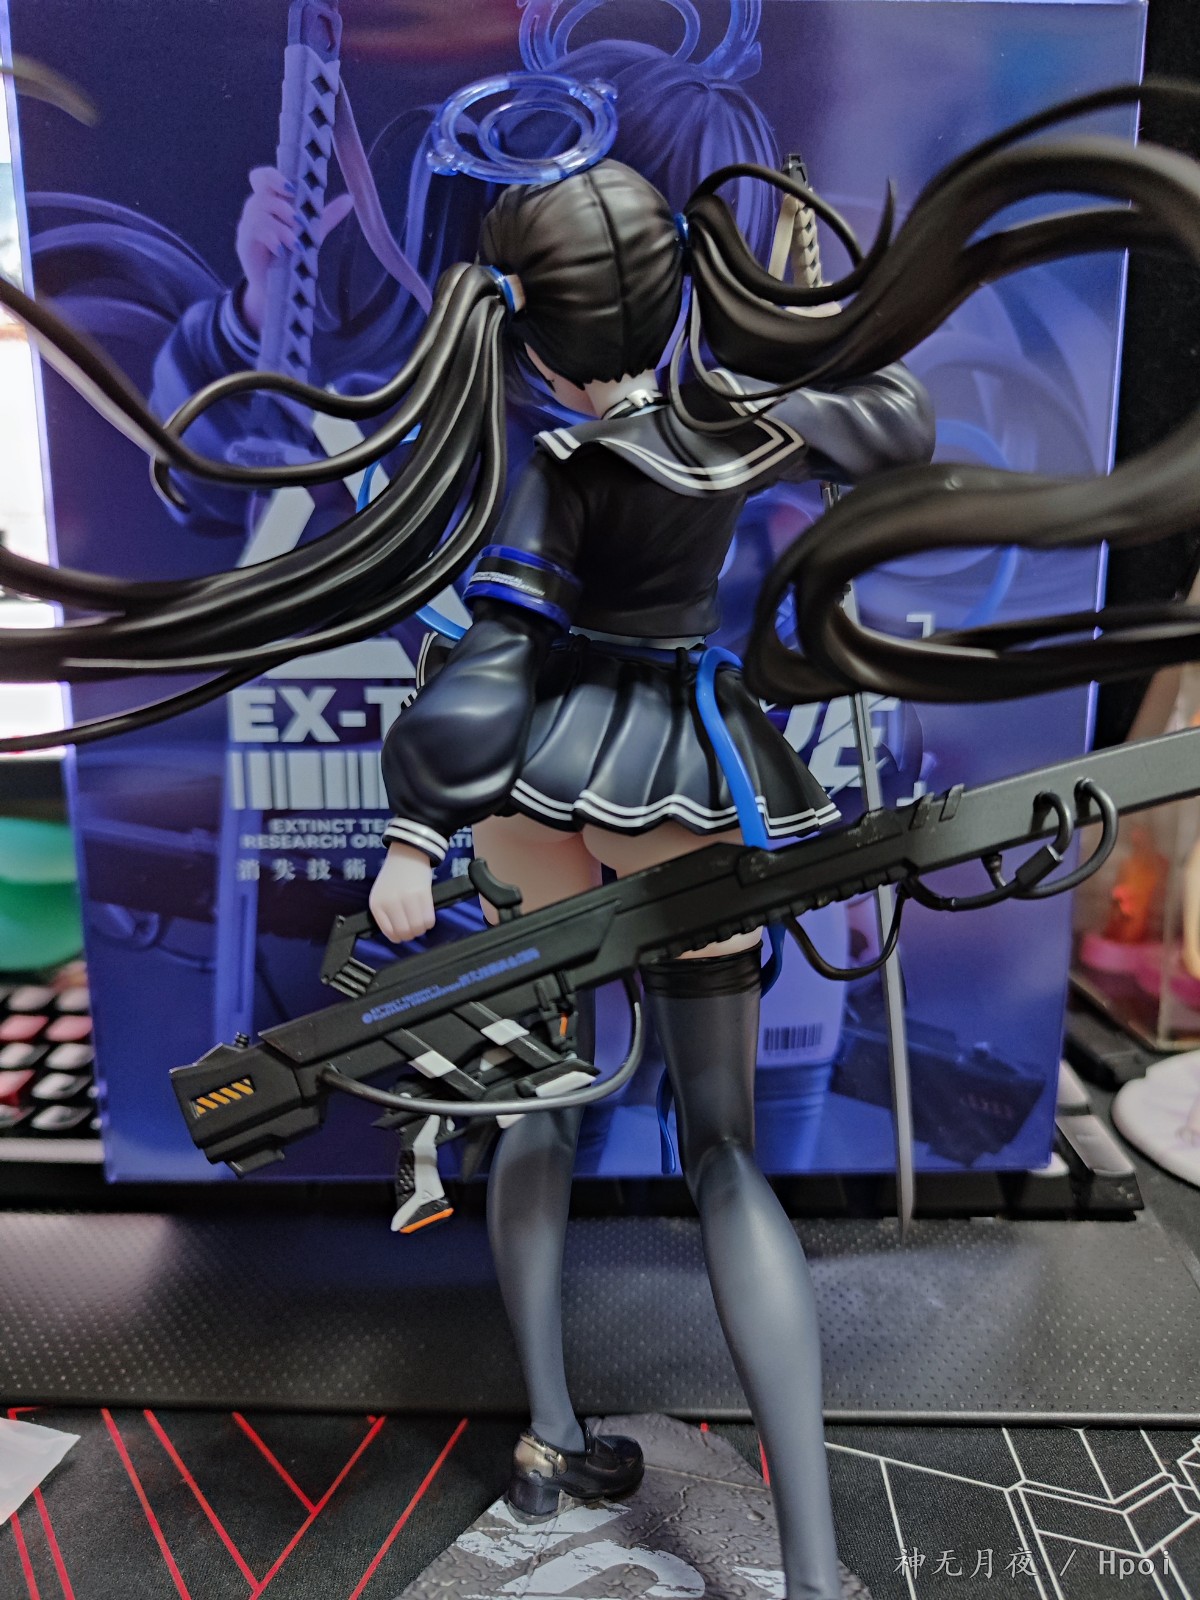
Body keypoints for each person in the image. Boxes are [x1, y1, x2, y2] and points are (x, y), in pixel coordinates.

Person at [368, 157, 934, 1597]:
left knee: (539, 1118)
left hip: (543, 797)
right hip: (687, 787)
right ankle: (812, 1564)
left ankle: (551, 1437)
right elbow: (901, 423)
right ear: (675, 296)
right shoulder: (728, 427)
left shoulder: (551, 471)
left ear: (531, 337)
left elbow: (495, 668)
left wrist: (417, 832)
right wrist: (786, 356)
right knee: (725, 1151)